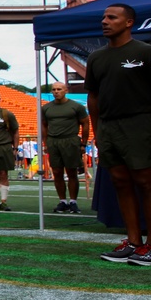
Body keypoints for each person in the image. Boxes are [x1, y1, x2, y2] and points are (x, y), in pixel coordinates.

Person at [87, 3, 151, 267]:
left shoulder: (147, 52)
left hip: (141, 123)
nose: (105, 21)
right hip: (109, 127)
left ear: (128, 23)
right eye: (103, 17)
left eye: (112, 17)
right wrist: (98, 131)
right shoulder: (96, 58)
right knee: (120, 182)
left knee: (146, 182)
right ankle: (134, 242)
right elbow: (93, 97)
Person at [41, 81, 90, 215]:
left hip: (70, 140)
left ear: (66, 90)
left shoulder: (76, 106)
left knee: (72, 172)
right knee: (56, 172)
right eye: (54, 90)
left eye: (59, 89)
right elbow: (44, 125)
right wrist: (46, 143)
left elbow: (85, 123)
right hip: (53, 141)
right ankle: (62, 201)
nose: (56, 92)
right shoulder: (46, 108)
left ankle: (73, 202)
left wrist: (83, 143)